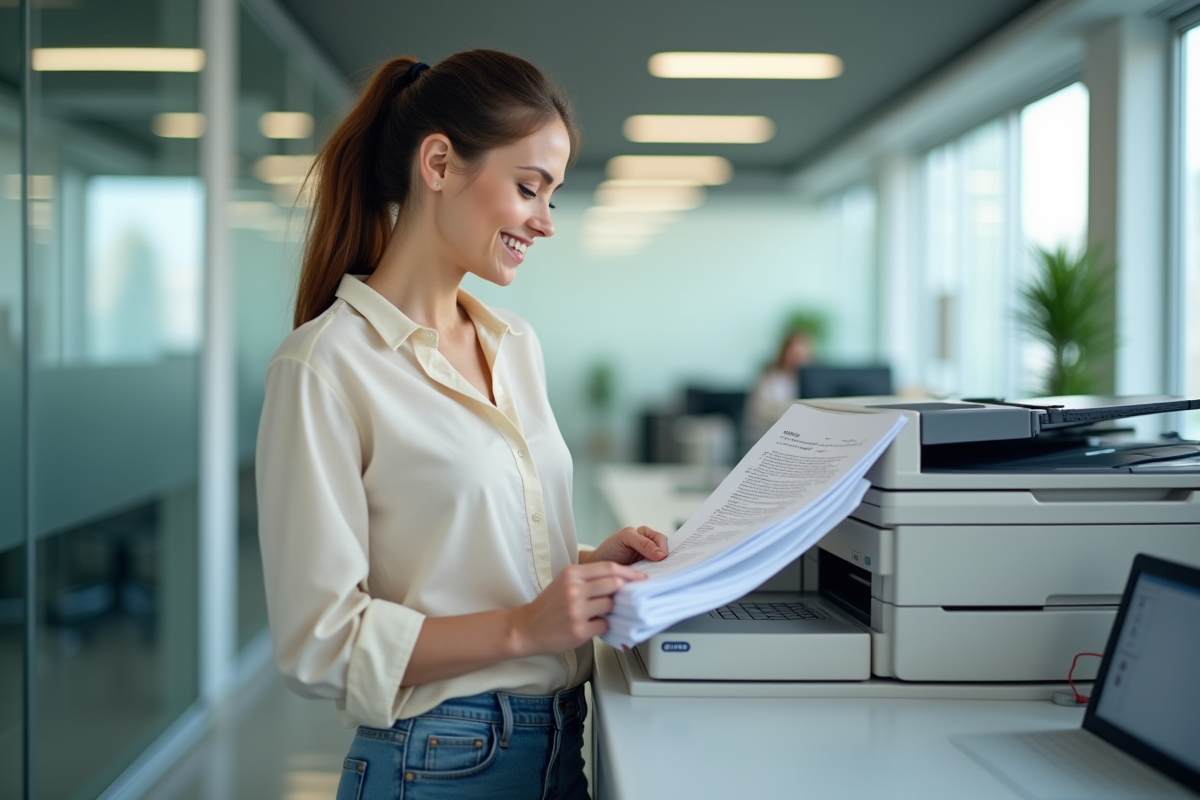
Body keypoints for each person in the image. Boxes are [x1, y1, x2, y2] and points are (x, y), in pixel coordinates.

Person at [255, 50, 668, 800]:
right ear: (439, 163)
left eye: (553, 196)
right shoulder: (323, 366)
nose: (545, 222)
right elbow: (319, 644)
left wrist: (577, 568)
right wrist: (522, 627)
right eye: (528, 188)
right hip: (437, 762)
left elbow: (457, 548)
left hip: (558, 743)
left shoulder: (515, 345)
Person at [742, 330, 816, 445]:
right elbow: (765, 414)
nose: (799, 360)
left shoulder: (811, 382)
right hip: (766, 438)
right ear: (784, 353)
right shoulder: (770, 380)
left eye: (802, 355)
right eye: (794, 354)